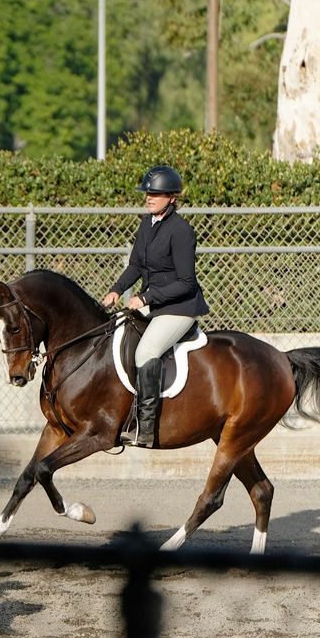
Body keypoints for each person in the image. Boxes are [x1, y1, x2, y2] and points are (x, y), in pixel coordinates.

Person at [101, 165, 209, 448]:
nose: (149, 197)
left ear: (172, 197)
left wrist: (146, 298)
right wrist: (117, 290)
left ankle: (145, 427)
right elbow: (136, 264)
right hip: (155, 304)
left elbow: (186, 282)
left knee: (146, 352)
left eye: (156, 193)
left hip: (179, 308)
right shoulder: (146, 224)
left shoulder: (182, 231)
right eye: (148, 192)